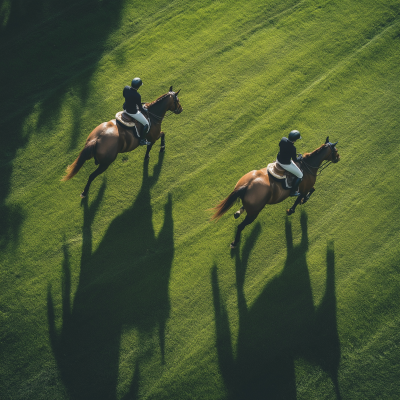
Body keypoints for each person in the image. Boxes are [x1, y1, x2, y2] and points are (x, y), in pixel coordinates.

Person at [123, 77, 150, 146]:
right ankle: (142, 140)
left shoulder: (126, 88)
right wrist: (146, 110)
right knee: (146, 124)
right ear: (138, 87)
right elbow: (140, 108)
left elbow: (124, 96)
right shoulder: (137, 95)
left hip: (125, 108)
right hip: (132, 112)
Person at [276, 130, 303, 196]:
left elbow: (280, 145)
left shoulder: (283, 139)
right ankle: (292, 192)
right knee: (300, 175)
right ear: (295, 140)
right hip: (285, 164)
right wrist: (300, 157)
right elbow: (295, 159)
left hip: (278, 159)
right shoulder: (293, 148)